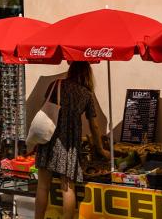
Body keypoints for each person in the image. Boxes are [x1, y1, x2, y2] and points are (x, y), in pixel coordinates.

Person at [34, 61, 109, 219]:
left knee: (42, 187)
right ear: (87, 73)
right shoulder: (86, 94)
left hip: (49, 138)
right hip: (69, 144)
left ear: (71, 70)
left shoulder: (56, 85)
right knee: (68, 187)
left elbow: (44, 108)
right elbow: (94, 126)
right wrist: (100, 149)